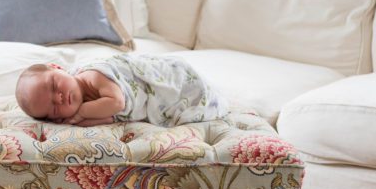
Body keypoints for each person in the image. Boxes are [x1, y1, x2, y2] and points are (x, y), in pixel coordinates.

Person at [15, 54, 228, 127]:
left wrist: (80, 114)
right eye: (53, 109)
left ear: (58, 68)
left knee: (190, 99)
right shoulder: (87, 106)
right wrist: (78, 121)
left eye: (54, 86)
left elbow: (117, 104)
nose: (59, 98)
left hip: (172, 75)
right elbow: (109, 119)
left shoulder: (92, 76)